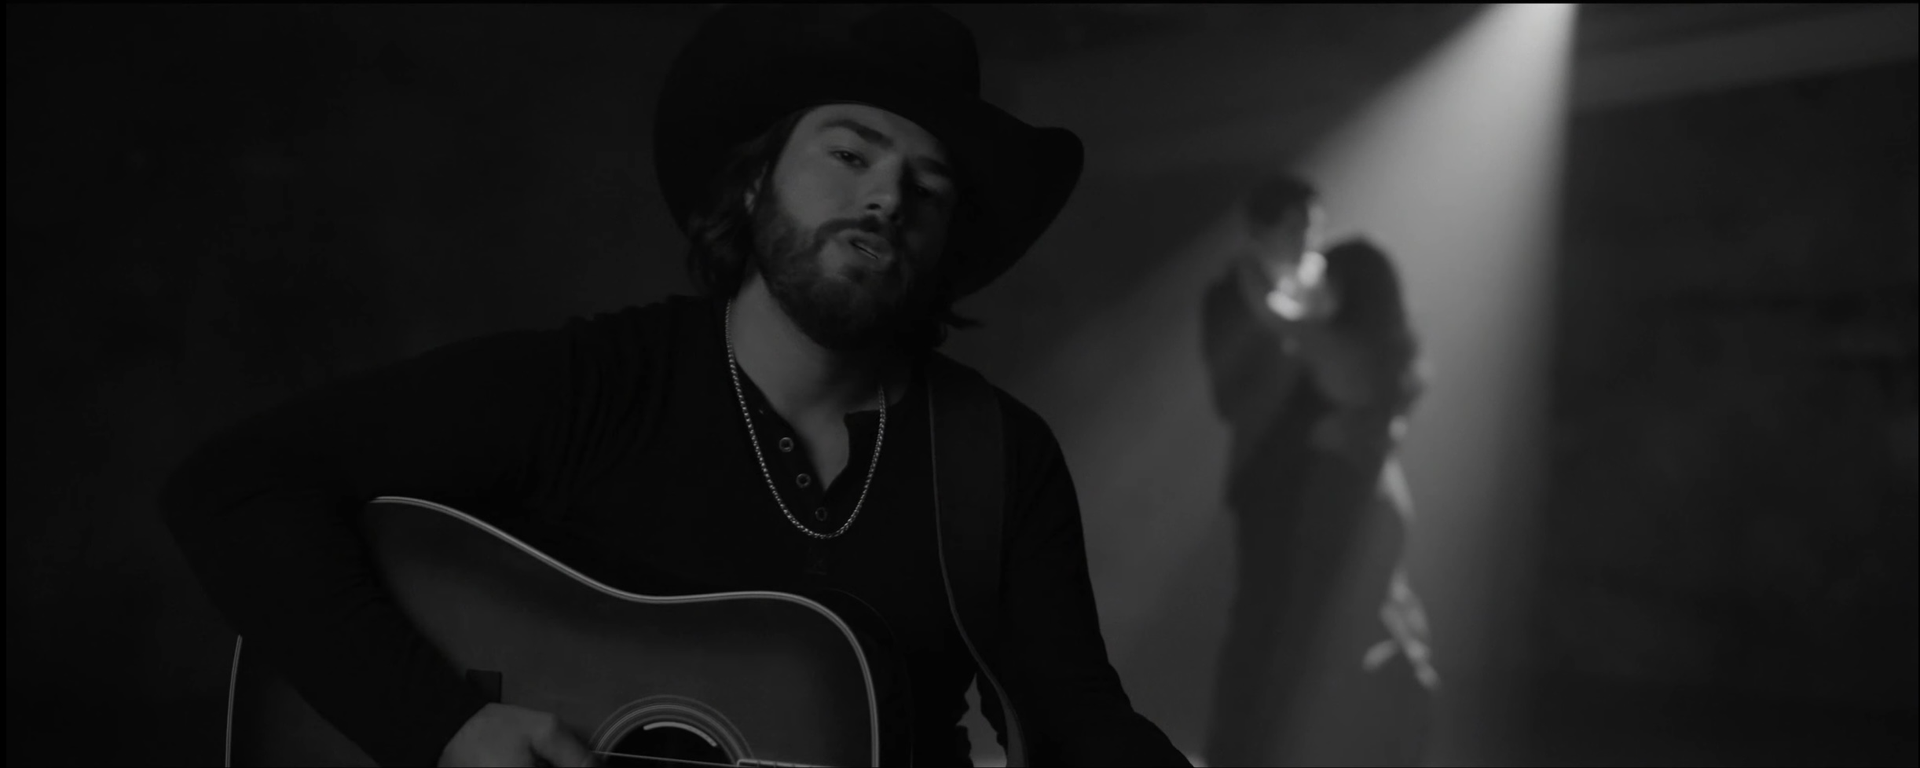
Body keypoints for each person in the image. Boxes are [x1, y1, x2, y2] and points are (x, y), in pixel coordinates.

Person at [159, 5, 1189, 767]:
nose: (887, 195)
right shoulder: (598, 385)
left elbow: (1078, 723)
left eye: (930, 187)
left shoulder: (996, 458)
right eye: (850, 152)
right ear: (756, 180)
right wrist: (444, 728)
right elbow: (234, 487)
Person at [1199, 174, 1439, 766]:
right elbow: (1236, 398)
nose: (1309, 239)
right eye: (1297, 226)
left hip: (1337, 494)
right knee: (1278, 622)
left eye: (1314, 226)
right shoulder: (1247, 301)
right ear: (1262, 229)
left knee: (1316, 627)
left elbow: (1351, 382)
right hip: (1290, 489)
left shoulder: (1325, 318)